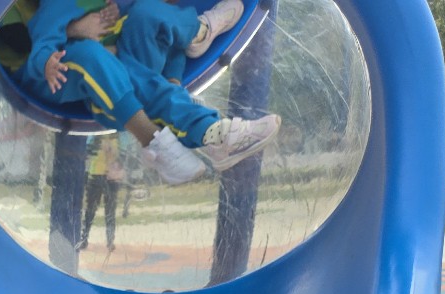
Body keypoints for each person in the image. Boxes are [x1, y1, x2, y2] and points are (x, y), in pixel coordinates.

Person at [15, 0, 281, 184]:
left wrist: (174, 79)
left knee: (147, 14)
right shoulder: (58, 6)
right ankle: (157, 141)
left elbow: (159, 27)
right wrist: (50, 59)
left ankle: (198, 35)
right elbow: (42, 42)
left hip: (131, 66)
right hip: (90, 86)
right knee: (96, 56)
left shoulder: (117, 6)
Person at [79, 133, 123, 251]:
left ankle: (110, 241)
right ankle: (84, 238)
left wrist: (108, 147)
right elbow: (87, 152)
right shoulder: (93, 136)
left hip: (110, 177)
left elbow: (117, 155)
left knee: (110, 211)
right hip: (95, 175)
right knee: (90, 210)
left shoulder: (115, 138)